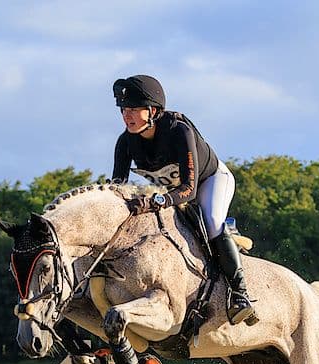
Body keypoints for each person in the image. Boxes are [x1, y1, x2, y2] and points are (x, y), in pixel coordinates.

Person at [110, 74, 257, 325]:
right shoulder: (125, 142)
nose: (127, 115)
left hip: (209, 181)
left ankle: (241, 294)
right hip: (173, 193)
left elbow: (189, 191)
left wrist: (154, 202)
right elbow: (117, 189)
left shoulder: (179, 131)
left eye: (134, 109)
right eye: (124, 110)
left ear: (153, 111)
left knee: (210, 221)